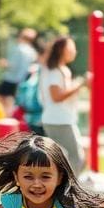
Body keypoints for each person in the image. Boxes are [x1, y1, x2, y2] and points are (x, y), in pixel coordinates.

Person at [39, 36, 87, 174]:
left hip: (59, 119)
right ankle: (69, 191)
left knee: (63, 159)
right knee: (76, 158)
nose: (74, 51)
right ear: (61, 50)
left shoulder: (60, 69)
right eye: (70, 48)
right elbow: (56, 96)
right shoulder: (54, 71)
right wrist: (79, 84)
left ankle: (63, 189)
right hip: (59, 120)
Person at [0, 28, 39, 116]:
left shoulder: (19, 49)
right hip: (21, 79)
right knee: (11, 101)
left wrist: (4, 63)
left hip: (11, 78)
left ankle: (4, 118)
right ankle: (8, 118)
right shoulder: (32, 52)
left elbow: (13, 66)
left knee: (1, 98)